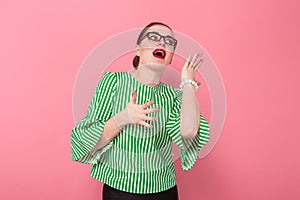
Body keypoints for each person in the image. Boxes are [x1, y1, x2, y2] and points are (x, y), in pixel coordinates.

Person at [70, 22, 210, 200]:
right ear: (138, 49)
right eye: (153, 38)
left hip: (164, 192)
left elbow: (189, 131)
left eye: (169, 41)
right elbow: (87, 144)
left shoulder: (173, 96)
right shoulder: (112, 82)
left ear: (170, 57)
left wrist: (188, 83)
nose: (162, 43)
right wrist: (123, 118)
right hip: (119, 192)